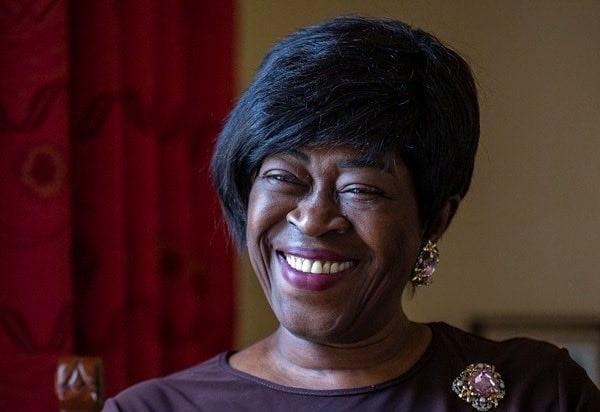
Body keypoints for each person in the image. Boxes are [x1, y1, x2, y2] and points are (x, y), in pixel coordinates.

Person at [103, 16, 600, 411]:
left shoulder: (537, 393)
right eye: (284, 178)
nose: (313, 219)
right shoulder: (152, 409)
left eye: (360, 188)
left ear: (435, 220)